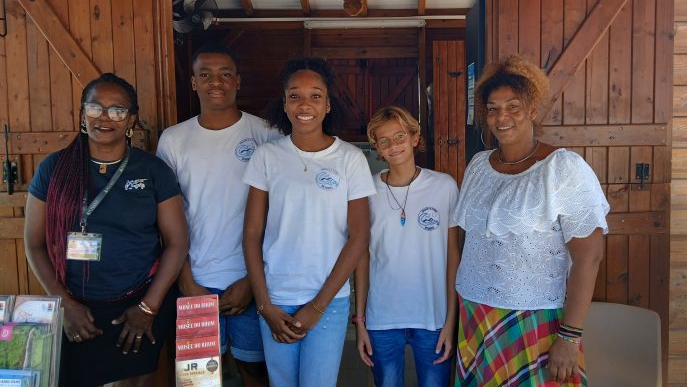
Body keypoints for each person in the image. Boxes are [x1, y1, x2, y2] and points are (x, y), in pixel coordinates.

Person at [23, 73, 189, 386]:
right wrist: (65, 305)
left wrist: (148, 307)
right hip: (76, 308)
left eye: (117, 110)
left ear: (131, 120)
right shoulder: (53, 169)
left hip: (138, 306)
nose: (105, 117)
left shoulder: (152, 170)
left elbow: (177, 243)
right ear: (82, 114)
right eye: (95, 107)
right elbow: (34, 243)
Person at [452, 55, 609, 386]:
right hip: (476, 313)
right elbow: (470, 240)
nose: (502, 117)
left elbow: (589, 255)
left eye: (513, 107)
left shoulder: (562, 169)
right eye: (493, 109)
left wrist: (570, 336)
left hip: (534, 317)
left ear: (532, 110)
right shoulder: (478, 166)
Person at [242, 57, 376, 387]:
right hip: (276, 298)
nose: (305, 105)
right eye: (295, 96)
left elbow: (359, 236)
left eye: (315, 96)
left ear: (328, 105)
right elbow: (252, 234)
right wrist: (263, 304)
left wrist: (317, 307)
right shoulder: (266, 156)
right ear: (284, 104)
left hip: (328, 300)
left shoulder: (350, 159)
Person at [156, 43, 279, 386]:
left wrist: (253, 282)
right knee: (198, 378)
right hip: (195, 278)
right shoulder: (173, 140)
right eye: (205, 74)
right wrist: (184, 279)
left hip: (252, 278)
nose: (216, 82)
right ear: (194, 83)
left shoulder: (266, 134)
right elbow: (166, 218)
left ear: (237, 81)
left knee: (255, 372)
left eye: (225, 74)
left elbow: (281, 214)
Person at [354, 106, 461, 387]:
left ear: (414, 137)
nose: (394, 145)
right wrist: (361, 321)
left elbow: (453, 256)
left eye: (400, 136)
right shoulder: (367, 192)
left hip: (433, 318)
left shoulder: (444, 187)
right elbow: (362, 258)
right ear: (377, 148)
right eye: (384, 140)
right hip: (382, 319)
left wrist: (451, 320)